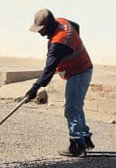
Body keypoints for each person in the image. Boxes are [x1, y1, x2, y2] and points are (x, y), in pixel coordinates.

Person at [21, 8, 94, 157]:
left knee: (71, 109)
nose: (40, 34)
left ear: (49, 26)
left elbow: (48, 70)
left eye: (42, 30)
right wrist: (72, 47)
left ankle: (77, 146)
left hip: (78, 72)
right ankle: (85, 138)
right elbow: (76, 26)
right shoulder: (62, 22)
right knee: (77, 107)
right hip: (83, 69)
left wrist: (33, 89)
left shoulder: (59, 43)